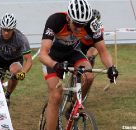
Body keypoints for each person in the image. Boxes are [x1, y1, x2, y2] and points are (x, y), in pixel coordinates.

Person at [38, 0, 118, 129]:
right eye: (76, 24)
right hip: (53, 57)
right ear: (68, 17)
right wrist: (55, 65)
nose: (79, 28)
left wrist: (111, 67)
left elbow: (102, 51)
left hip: (73, 53)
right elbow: (42, 54)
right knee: (56, 94)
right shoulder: (56, 20)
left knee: (89, 76)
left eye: (83, 25)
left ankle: (72, 107)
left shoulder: (92, 24)